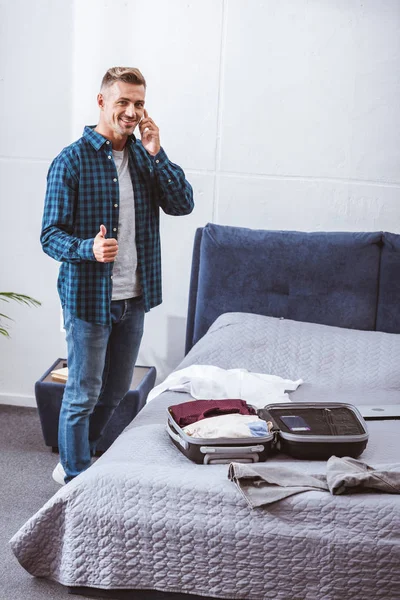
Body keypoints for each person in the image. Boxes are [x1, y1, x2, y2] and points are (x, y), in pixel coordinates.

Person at [41, 66, 194, 484]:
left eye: (139, 103)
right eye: (123, 101)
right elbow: (49, 236)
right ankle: (75, 480)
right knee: (83, 392)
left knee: (112, 393)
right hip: (88, 297)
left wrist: (157, 152)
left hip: (134, 297)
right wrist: (87, 248)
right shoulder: (71, 161)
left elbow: (183, 205)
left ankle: (79, 455)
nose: (131, 111)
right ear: (102, 102)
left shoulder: (146, 157)